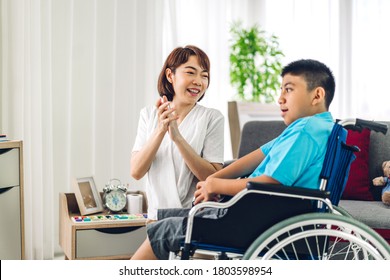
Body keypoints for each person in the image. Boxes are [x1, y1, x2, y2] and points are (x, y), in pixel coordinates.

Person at [131, 58, 336, 260]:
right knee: (167, 217)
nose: (280, 98)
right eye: (281, 89)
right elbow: (253, 158)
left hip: (256, 221)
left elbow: (270, 183)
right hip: (257, 214)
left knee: (164, 229)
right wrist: (210, 182)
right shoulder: (309, 128)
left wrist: (216, 185)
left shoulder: (306, 131)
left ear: (317, 95)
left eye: (288, 89)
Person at [131, 45, 224, 221]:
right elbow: (136, 171)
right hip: (155, 218)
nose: (199, 81)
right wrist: (161, 130)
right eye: (190, 72)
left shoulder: (212, 118)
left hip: (193, 218)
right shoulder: (148, 115)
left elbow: (212, 177)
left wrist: (178, 138)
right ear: (170, 75)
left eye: (204, 76)